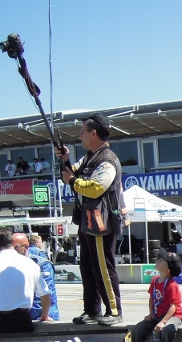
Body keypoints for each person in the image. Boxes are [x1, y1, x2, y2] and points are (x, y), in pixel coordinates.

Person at [56, 114, 126, 326]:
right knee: (87, 267)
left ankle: (114, 311)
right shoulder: (88, 157)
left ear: (93, 133)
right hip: (87, 222)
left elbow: (96, 188)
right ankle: (92, 310)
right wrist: (65, 159)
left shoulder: (107, 160)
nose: (80, 136)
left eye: (83, 131)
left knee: (103, 267)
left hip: (100, 224)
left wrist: (73, 181)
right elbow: (68, 174)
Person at [119, 248, 182, 342]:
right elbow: (152, 298)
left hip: (172, 315)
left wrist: (163, 322)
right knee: (139, 328)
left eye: (161, 260)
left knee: (168, 330)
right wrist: (151, 313)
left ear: (167, 271)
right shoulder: (154, 280)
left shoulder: (172, 285)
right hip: (158, 314)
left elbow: (174, 306)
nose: (158, 259)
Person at [14, 233, 60, 322]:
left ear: (25, 247)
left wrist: (42, 314)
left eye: (15, 248)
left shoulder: (41, 263)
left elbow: (45, 292)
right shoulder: (11, 263)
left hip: (43, 315)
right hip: (26, 314)